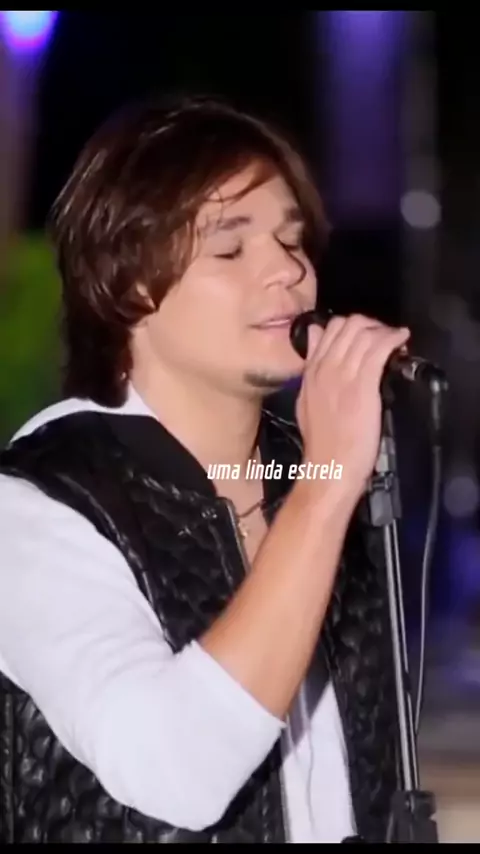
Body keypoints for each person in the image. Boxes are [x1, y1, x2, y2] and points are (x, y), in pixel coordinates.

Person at [0, 94, 410, 844]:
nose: (288, 270)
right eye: (230, 249)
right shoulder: (36, 503)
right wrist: (327, 488)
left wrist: (326, 482)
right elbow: (176, 772)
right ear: (130, 284)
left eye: (293, 240)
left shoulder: (313, 473)